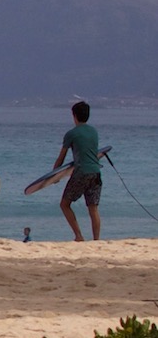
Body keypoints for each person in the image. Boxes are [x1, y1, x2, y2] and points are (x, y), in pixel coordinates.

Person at [56, 101, 104, 242]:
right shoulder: (94, 132)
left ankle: (78, 236)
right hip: (96, 172)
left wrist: (55, 175)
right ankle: (96, 240)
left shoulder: (71, 134)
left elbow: (61, 157)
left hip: (81, 172)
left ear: (74, 116)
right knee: (93, 208)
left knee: (64, 204)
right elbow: (92, 153)